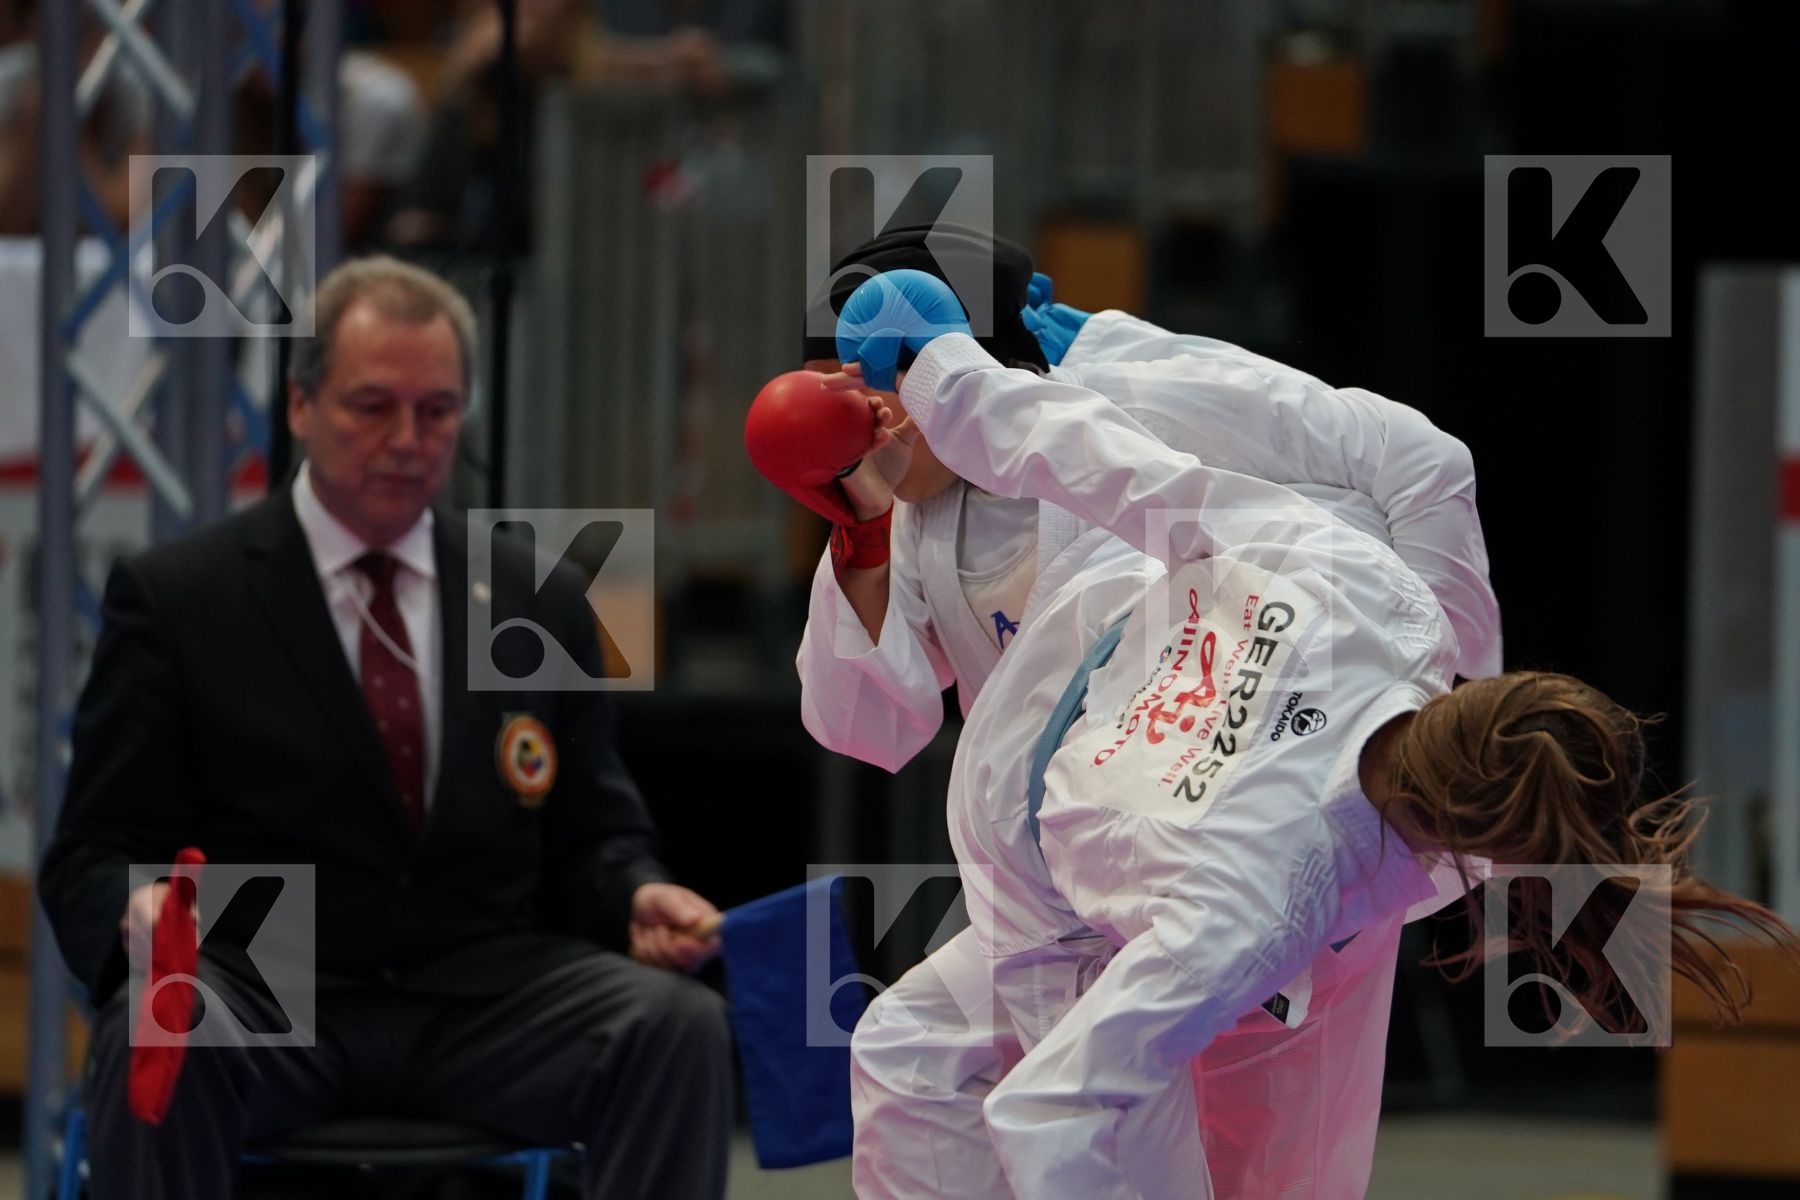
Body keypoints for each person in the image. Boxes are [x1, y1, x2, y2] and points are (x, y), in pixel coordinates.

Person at [815, 269, 1800, 1199]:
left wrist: (953, 368)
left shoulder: (1386, 608)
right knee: (1037, 1091)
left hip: (1075, 763)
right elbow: (1054, 1109)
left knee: (1235, 1153)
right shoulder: (1269, 886)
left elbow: (1137, 476)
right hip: (1035, 808)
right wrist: (951, 377)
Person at [37, 255, 735, 1200]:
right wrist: (140, 907)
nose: (407, 438)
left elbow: (595, 836)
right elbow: (91, 852)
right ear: (299, 408)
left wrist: (638, 894)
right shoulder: (182, 598)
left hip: (482, 986)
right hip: (267, 975)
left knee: (676, 1026)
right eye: (372, 407)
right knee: (165, 1021)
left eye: (437, 411)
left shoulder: (536, 595)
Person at [789, 225, 1501, 777]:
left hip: (1298, 752)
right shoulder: (909, 520)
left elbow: (1417, 456)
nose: (855, 426)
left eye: (862, 386)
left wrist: (1448, 698)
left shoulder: (1133, 396)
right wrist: (860, 539)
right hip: (1105, 848)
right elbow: (868, 730)